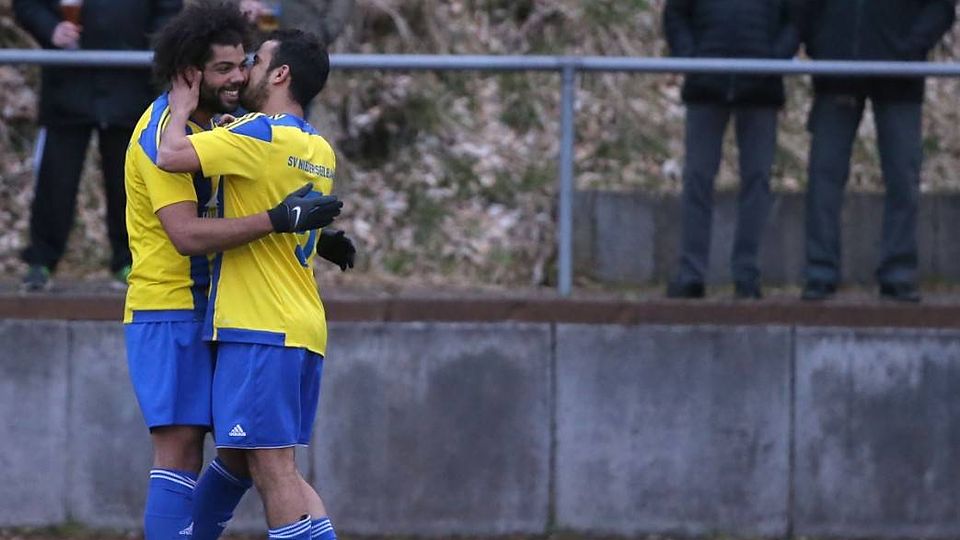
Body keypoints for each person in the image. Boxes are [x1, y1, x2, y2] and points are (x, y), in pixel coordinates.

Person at [124, 4, 350, 539]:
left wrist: (306, 233)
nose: (237, 76)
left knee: (249, 458)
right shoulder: (164, 130)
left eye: (243, 63)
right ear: (189, 73)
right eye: (223, 68)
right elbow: (186, 234)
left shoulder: (232, 130)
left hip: (236, 315)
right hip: (173, 306)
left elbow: (254, 192)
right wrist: (281, 222)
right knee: (186, 449)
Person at [12, 0, 182, 291]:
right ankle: (41, 261)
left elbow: (168, 11)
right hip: (66, 86)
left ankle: (129, 261)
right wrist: (51, 29)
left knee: (128, 183)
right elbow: (27, 5)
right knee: (55, 181)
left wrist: (154, 48)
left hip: (130, 84)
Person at [797, 0, 955, 302]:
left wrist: (910, 48)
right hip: (838, 73)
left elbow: (941, 8)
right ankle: (820, 272)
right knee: (824, 176)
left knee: (903, 176)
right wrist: (823, 44)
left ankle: (898, 273)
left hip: (899, 76)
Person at [663, 0, 799, 300]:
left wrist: (775, 58)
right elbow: (676, 13)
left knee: (757, 180)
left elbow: (797, 15)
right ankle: (691, 274)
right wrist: (691, 58)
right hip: (706, 85)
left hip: (761, 87)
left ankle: (747, 273)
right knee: (697, 178)